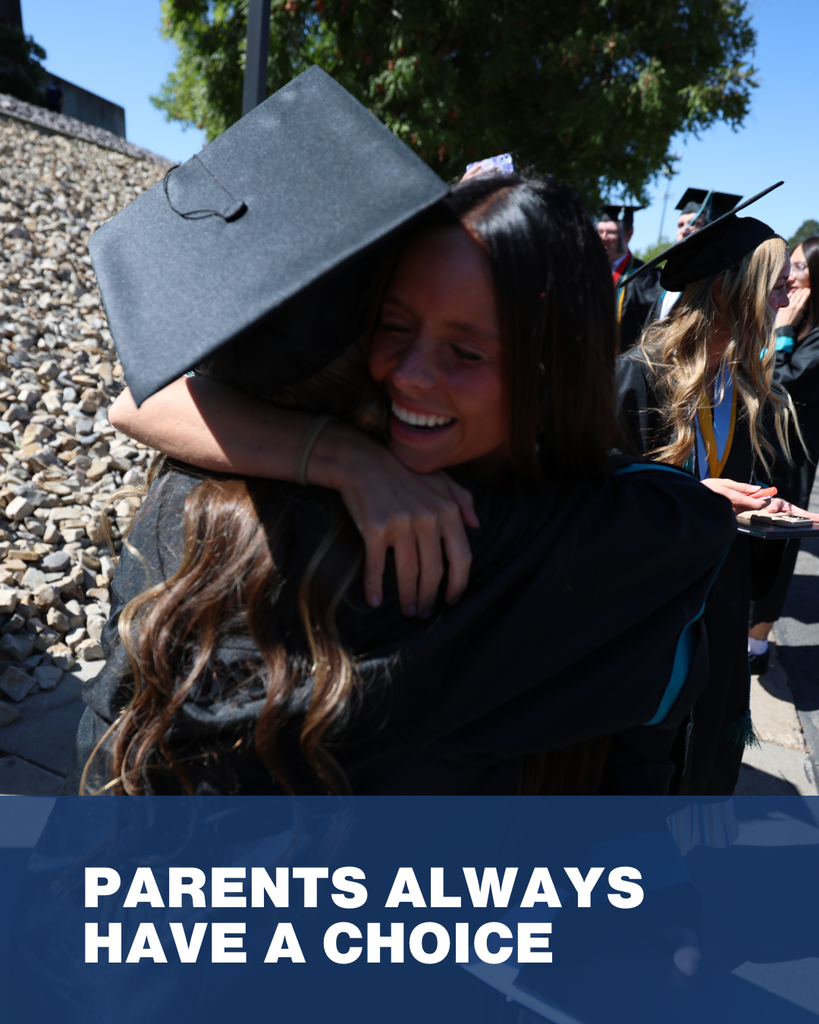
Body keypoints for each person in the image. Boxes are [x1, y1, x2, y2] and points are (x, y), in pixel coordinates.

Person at [67, 168, 735, 799]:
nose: (411, 373)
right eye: (393, 326)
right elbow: (688, 517)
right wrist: (353, 460)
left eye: (465, 352)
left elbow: (136, 401)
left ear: (549, 367)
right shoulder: (583, 547)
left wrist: (335, 454)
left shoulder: (199, 496)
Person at [617, 201, 818, 795]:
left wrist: (762, 510)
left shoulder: (746, 387)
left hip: (718, 602)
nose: (789, 299)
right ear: (734, 290)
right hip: (652, 613)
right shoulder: (638, 376)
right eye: (778, 286)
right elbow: (600, 503)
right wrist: (689, 495)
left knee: (704, 754)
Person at [749, 234, 819, 672]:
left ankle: (757, 645)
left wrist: (784, 332)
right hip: (760, 447)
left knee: (780, 546)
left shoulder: (808, 333)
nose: (789, 276)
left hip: (793, 457)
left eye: (798, 267)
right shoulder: (793, 321)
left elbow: (784, 381)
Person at [653, 189, 743, 322]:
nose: (684, 230)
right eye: (680, 225)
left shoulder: (722, 282)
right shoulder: (664, 279)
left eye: (694, 223)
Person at [596, 204, 661, 352]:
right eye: (600, 231)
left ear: (628, 234)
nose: (603, 238)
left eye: (611, 232)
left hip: (623, 366)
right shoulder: (587, 271)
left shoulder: (646, 277)